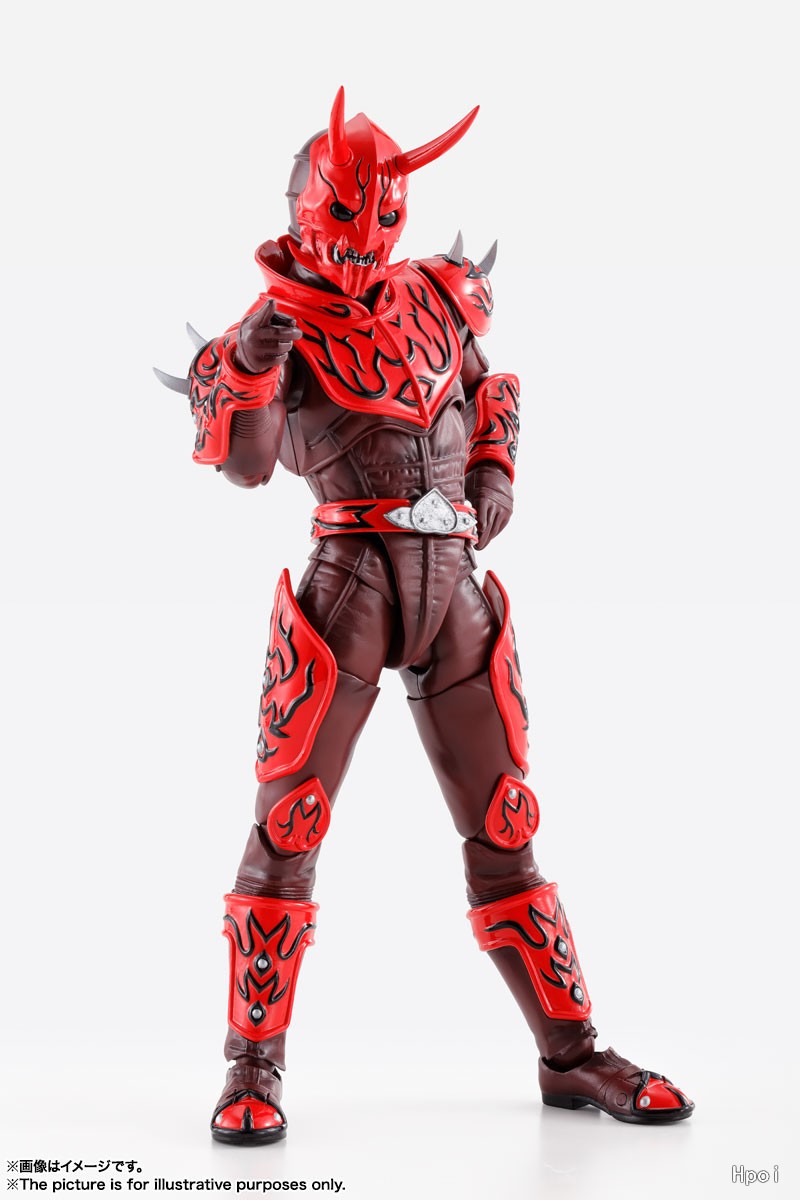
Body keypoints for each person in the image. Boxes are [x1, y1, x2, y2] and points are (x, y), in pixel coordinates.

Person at [158, 88, 693, 1143]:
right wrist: (256, 357)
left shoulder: (438, 296)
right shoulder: (269, 326)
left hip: (455, 584)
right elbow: (247, 466)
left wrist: (494, 476)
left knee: (505, 824)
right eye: (344, 209)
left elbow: (489, 392)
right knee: (288, 826)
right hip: (346, 586)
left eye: (382, 212)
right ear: (305, 206)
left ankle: (571, 1053)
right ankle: (251, 1065)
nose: (364, 236)